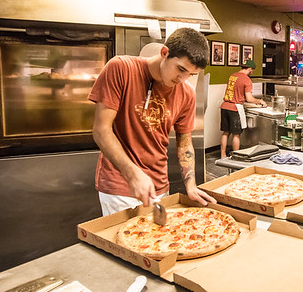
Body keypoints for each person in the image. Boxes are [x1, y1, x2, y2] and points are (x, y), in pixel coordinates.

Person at [89, 27, 216, 216]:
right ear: (164, 52)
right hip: (120, 186)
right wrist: (133, 174)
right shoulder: (121, 68)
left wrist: (190, 184)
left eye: (191, 74)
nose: (182, 79)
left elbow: (184, 141)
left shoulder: (187, 93)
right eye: (180, 69)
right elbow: (101, 131)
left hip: (160, 185)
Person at [220, 59, 266, 158]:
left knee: (225, 133)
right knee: (236, 135)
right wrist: (260, 101)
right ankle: (236, 156)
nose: (251, 72)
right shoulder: (246, 79)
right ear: (250, 69)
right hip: (234, 108)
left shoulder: (233, 76)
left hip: (224, 106)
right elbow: (249, 99)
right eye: (252, 70)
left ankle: (223, 155)